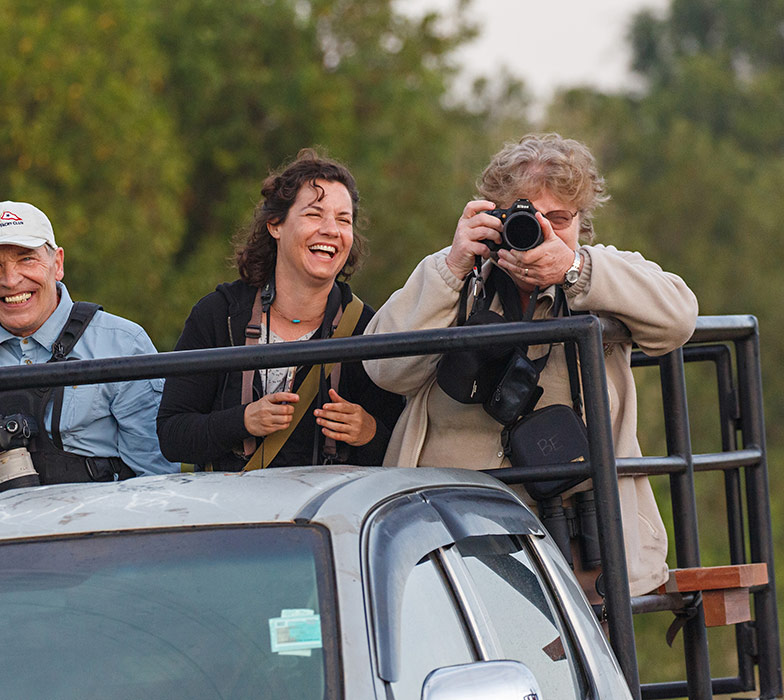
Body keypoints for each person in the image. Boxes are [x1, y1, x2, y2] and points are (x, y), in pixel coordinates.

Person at [363, 133, 698, 599]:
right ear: (495, 216)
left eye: (559, 219)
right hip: (452, 525)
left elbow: (679, 318)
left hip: (576, 527)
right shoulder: (458, 275)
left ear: (582, 220)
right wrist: (453, 266)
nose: (543, 230)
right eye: (524, 216)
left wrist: (575, 271)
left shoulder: (601, 273)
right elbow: (385, 369)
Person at [0, 200, 175, 502]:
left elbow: (155, 476)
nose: (11, 280)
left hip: (96, 536)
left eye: (26, 259)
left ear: (58, 264)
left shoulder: (122, 342)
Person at [157, 149, 403, 471]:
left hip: (326, 518)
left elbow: (404, 453)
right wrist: (243, 420)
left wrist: (368, 432)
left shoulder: (369, 329)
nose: (331, 230)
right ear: (275, 224)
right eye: (315, 214)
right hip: (233, 516)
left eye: (344, 220)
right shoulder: (219, 315)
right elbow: (172, 436)